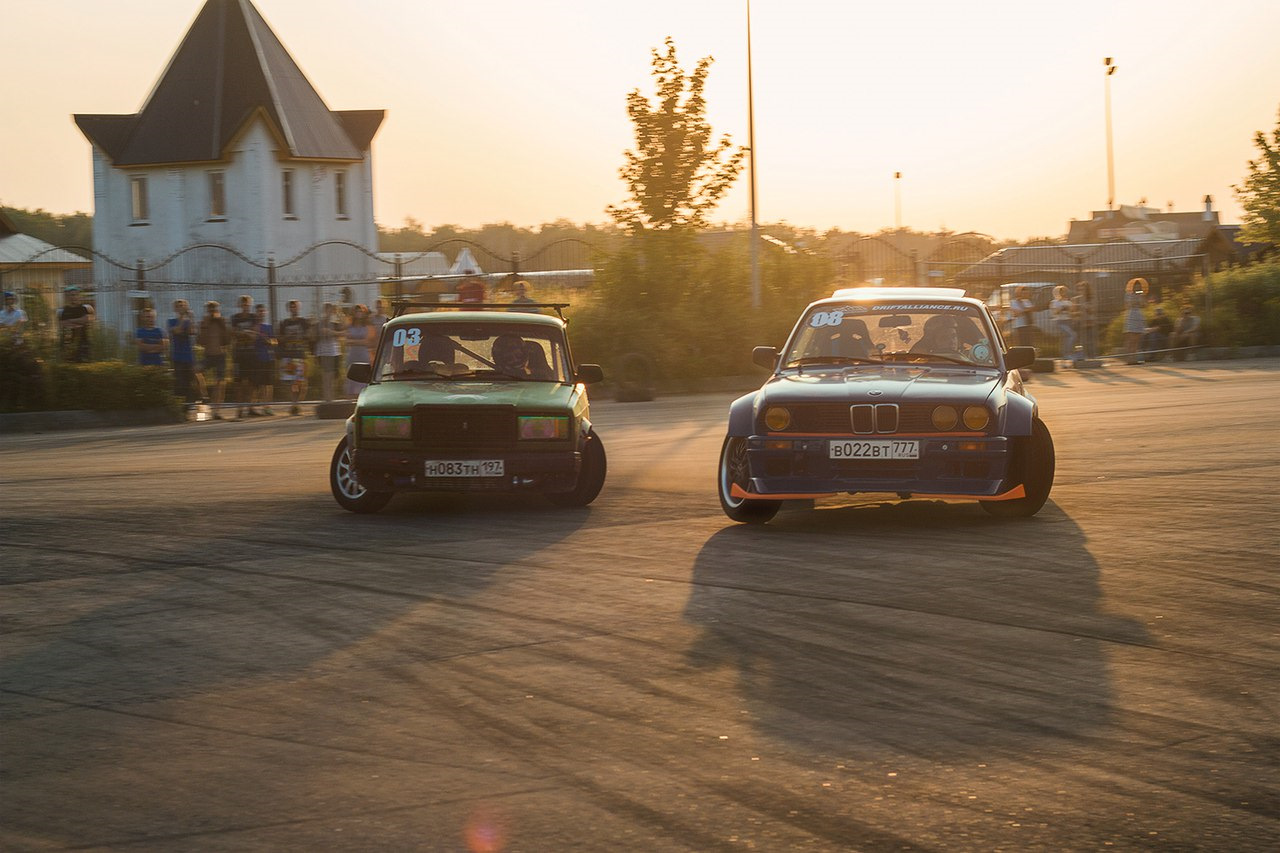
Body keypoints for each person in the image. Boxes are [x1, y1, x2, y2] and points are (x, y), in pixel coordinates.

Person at [278, 300, 312, 414]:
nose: (293, 309)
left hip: (300, 354)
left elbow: (309, 335)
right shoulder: (284, 323)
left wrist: (302, 335)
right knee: (290, 382)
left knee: (301, 381)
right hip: (288, 355)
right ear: (289, 309)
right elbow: (280, 338)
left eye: (295, 307)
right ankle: (294, 404)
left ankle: (297, 403)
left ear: (298, 308)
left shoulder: (303, 322)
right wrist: (288, 337)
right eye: (291, 307)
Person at [198, 301, 231, 418]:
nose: (212, 312)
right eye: (210, 310)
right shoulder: (204, 322)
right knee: (196, 370)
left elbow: (227, 340)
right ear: (207, 310)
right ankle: (204, 395)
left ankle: (216, 411)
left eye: (214, 309)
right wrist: (205, 326)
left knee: (220, 383)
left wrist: (222, 323)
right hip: (208, 355)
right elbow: (201, 341)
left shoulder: (221, 322)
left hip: (220, 356)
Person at [168, 299, 203, 404]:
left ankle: (188, 405)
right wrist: (182, 318)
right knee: (179, 382)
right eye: (178, 306)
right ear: (175, 309)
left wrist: (191, 317)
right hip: (178, 357)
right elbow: (177, 330)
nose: (181, 308)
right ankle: (179, 404)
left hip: (188, 356)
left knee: (190, 382)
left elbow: (192, 332)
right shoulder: (171, 321)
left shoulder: (188, 322)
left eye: (183, 306)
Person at [229, 294, 258, 418]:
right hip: (238, 353)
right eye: (243, 304)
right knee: (239, 382)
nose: (245, 306)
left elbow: (254, 335)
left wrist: (244, 333)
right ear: (240, 305)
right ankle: (239, 408)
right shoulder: (235, 318)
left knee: (251, 382)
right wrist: (246, 333)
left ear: (250, 305)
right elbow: (233, 333)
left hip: (250, 353)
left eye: (247, 304)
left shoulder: (253, 317)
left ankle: (251, 407)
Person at [250, 303, 276, 415]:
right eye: (259, 311)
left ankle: (267, 407)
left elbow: (275, 342)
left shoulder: (268, 327)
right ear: (255, 313)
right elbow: (250, 340)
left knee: (268, 384)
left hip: (268, 358)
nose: (261, 313)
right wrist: (254, 333)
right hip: (256, 359)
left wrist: (268, 341)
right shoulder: (253, 327)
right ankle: (253, 407)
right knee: (256, 384)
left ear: (265, 312)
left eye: (262, 311)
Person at [315, 302, 344, 401]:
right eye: (327, 310)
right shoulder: (320, 323)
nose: (329, 313)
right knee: (326, 376)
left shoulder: (335, 323)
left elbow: (344, 331)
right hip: (324, 352)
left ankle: (331, 397)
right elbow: (316, 335)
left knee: (333, 376)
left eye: (330, 310)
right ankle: (327, 398)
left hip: (334, 352)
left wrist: (339, 313)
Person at [58, 286, 94, 362]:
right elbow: (63, 324)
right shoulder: (65, 310)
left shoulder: (83, 308)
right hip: (68, 343)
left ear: (79, 296)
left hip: (83, 342)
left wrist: (70, 320)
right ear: (68, 297)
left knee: (84, 362)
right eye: (72, 295)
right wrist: (77, 322)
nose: (74, 297)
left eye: (76, 295)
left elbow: (84, 320)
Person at [344, 304, 374, 397]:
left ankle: (364, 397)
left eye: (360, 311)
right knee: (351, 377)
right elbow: (347, 341)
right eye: (357, 311)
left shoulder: (367, 327)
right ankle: (351, 398)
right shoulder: (350, 326)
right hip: (352, 355)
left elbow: (367, 342)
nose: (359, 313)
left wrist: (354, 341)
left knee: (363, 377)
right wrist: (359, 341)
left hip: (363, 355)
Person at [1123, 278, 1149, 364]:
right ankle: (1129, 359)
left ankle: (1134, 358)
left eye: (1139, 287)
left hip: (1138, 314)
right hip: (1131, 314)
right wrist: (1134, 298)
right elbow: (1128, 305)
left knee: (1137, 339)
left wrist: (1142, 297)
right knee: (1131, 339)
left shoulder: (1141, 295)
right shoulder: (1128, 294)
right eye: (1136, 286)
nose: (1137, 288)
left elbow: (1144, 305)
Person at [1051, 285, 1077, 363]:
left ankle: (1065, 355)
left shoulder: (1068, 302)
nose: (1063, 293)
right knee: (1072, 335)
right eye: (1061, 292)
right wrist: (1062, 308)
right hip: (1060, 322)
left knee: (1066, 338)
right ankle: (1068, 353)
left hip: (1068, 321)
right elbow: (1054, 313)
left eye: (1064, 291)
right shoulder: (1054, 302)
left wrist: (1071, 307)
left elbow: (1072, 312)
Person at [1073, 280, 1096, 361]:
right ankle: (1080, 357)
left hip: (1089, 322)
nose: (1081, 291)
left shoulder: (1091, 299)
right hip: (1079, 322)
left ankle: (1091, 357)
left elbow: (1092, 311)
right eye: (1079, 289)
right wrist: (1079, 311)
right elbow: (1073, 312)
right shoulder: (1076, 299)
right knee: (1080, 341)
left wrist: (1085, 307)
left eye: (1083, 289)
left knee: (1090, 341)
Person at [1010, 285, 1035, 349]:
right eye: (1024, 293)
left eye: (1027, 293)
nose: (1026, 294)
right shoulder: (1014, 302)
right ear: (1019, 293)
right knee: (1021, 343)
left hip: (1027, 324)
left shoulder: (1027, 301)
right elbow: (1016, 314)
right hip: (1019, 325)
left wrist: (1022, 311)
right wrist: (1025, 310)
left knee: (1029, 343)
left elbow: (1032, 309)